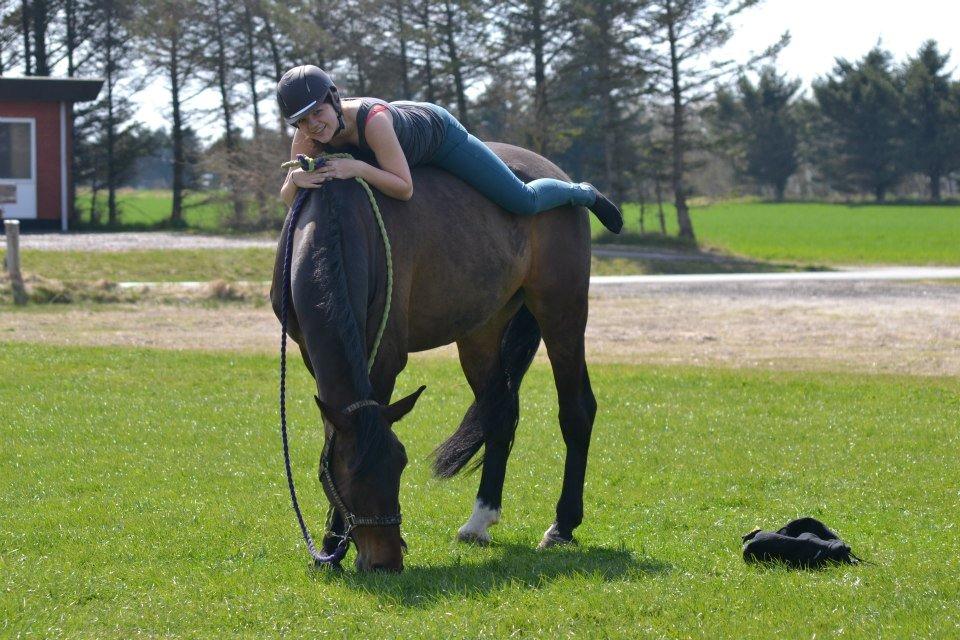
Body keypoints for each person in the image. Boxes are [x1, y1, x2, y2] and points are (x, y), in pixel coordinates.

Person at [277, 65, 623, 233]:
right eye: (302, 121)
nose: (312, 126)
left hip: (438, 134)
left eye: (317, 113)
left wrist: (358, 169)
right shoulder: (309, 134)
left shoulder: (373, 122)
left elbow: (404, 187)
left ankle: (583, 193)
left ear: (334, 101)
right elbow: (292, 200)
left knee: (522, 201)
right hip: (402, 126)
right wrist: (294, 182)